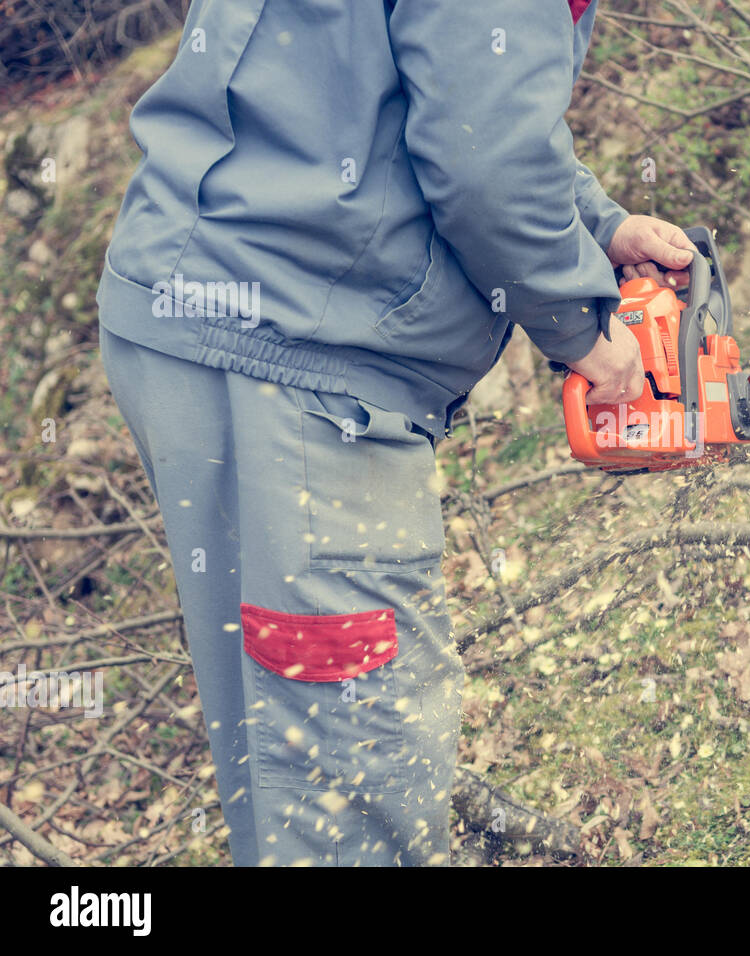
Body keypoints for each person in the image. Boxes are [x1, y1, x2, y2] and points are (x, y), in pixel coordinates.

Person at [96, 0, 694, 866]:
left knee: (285, 748)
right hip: (295, 360)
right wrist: (584, 330)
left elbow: (440, 92)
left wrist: (594, 224)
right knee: (356, 769)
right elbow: (484, 161)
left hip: (196, 309)